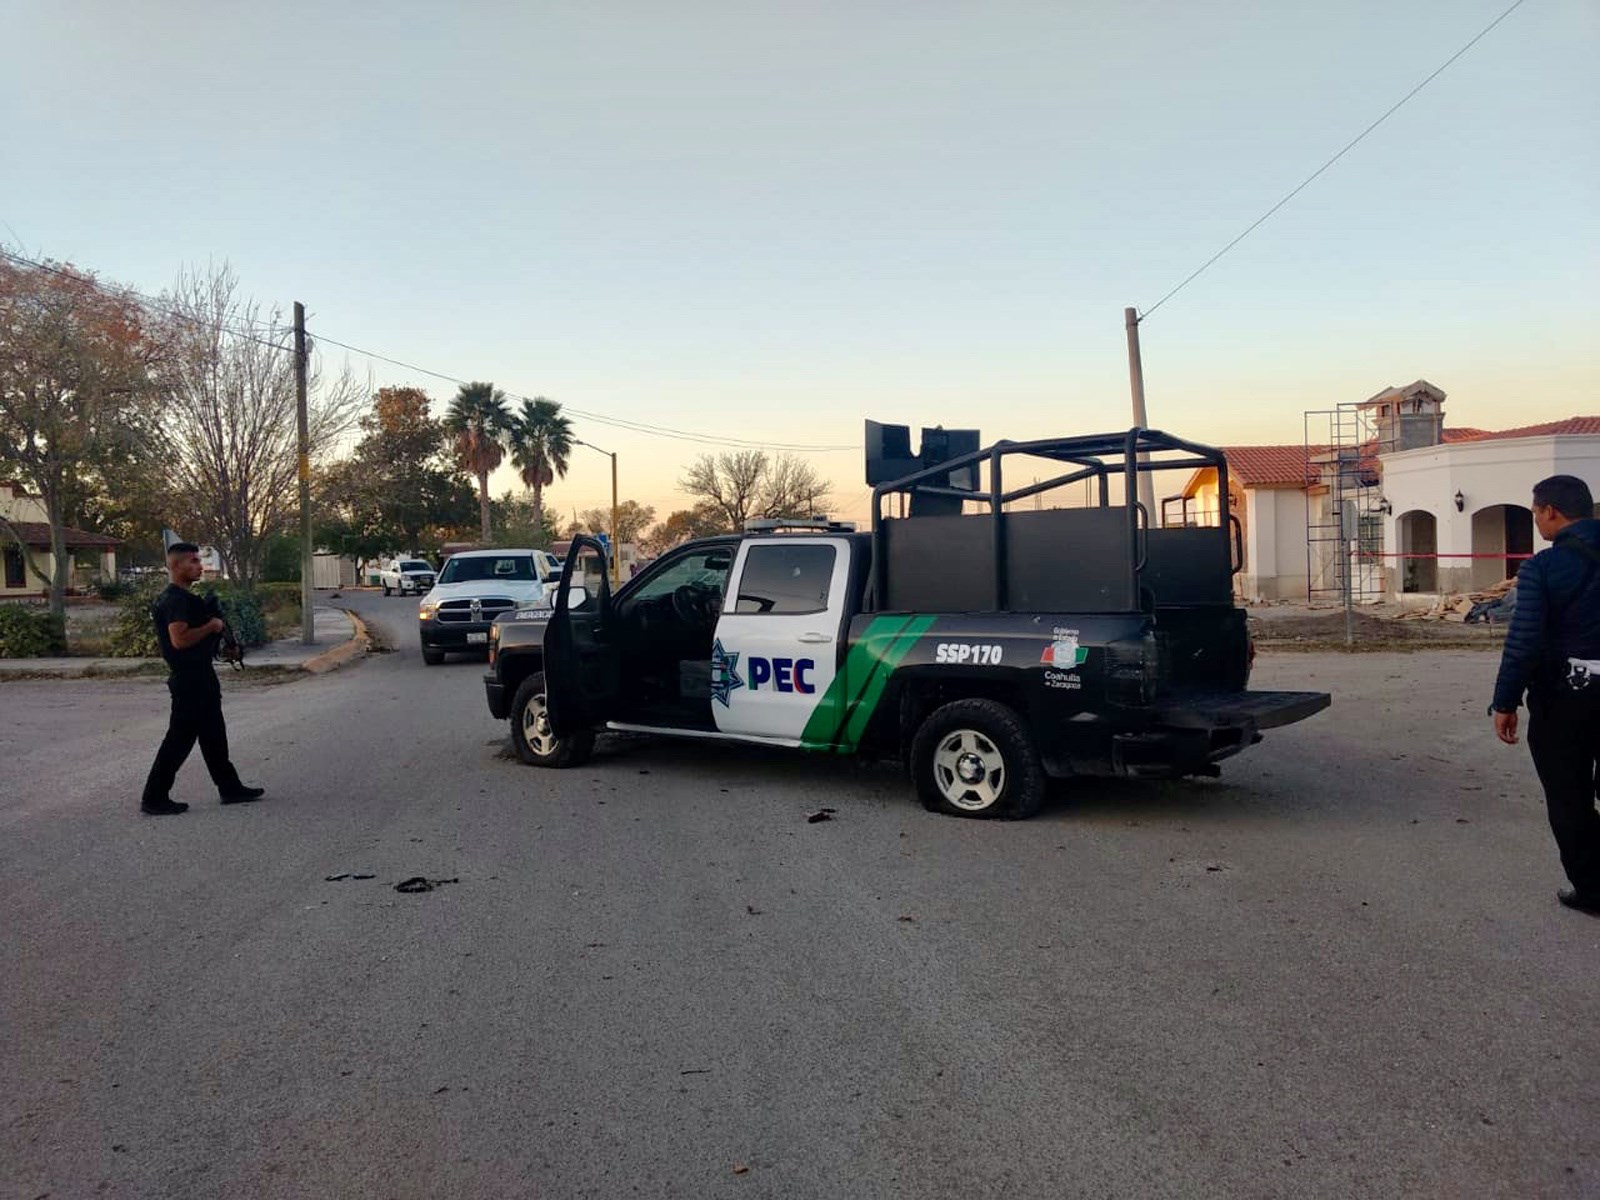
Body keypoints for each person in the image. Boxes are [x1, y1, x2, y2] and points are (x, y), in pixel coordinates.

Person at [1490, 476, 1600, 915]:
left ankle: (1593, 890)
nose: (1535, 521)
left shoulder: (1542, 568)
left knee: (1569, 797)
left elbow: (1525, 642)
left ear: (1551, 511)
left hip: (1566, 700)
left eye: (1535, 513)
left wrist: (1505, 702)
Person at [139, 543, 265, 816]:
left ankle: (230, 787)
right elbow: (180, 640)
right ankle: (154, 797)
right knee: (179, 740)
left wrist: (223, 642)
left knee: (213, 736)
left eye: (199, 561)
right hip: (189, 680)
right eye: (193, 561)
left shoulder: (185, 599)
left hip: (200, 676)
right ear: (176, 566)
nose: (200, 566)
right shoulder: (176, 600)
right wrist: (212, 626)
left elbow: (196, 640)